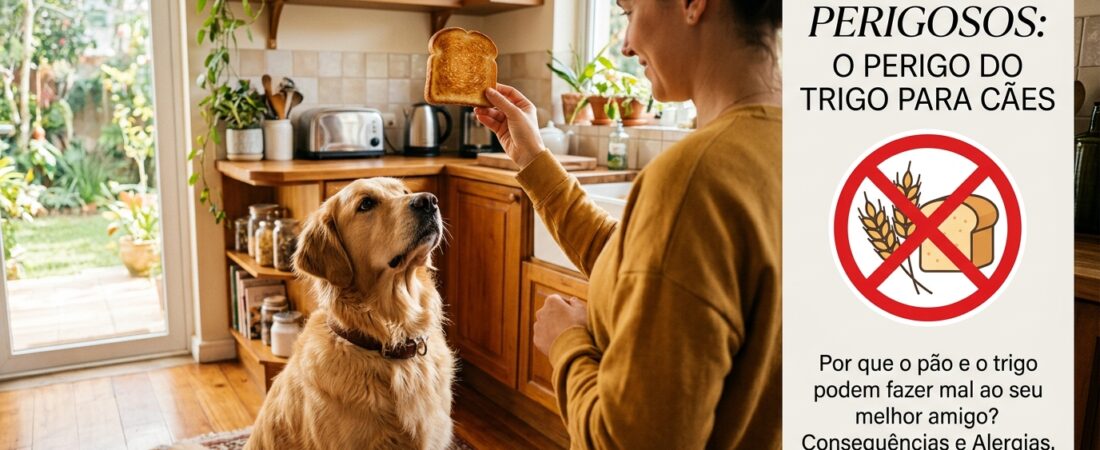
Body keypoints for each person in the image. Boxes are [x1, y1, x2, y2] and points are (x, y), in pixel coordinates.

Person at [474, 0, 781, 446]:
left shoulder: (695, 178)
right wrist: (532, 159)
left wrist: (567, 343)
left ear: (693, 5)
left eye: (631, 11)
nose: (627, 42)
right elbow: (631, 259)